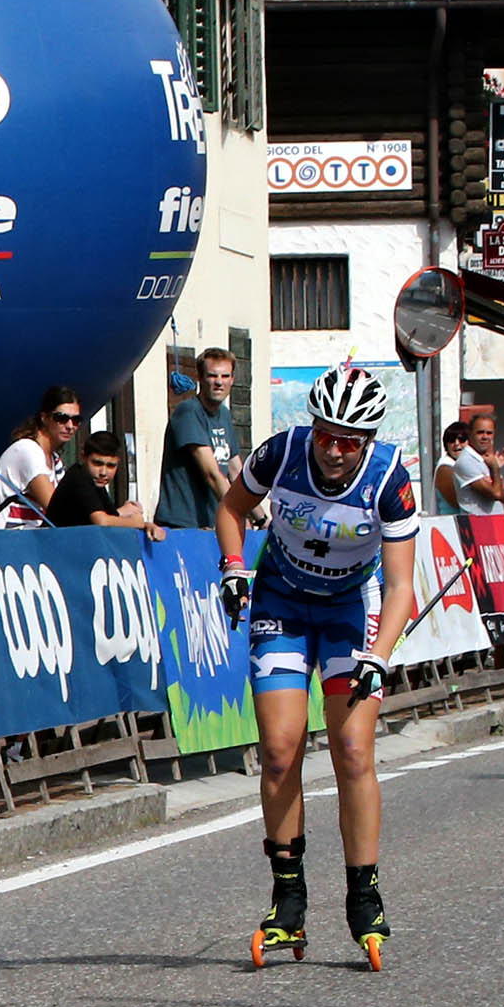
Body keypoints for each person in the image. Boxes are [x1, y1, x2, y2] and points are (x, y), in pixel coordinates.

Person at [213, 364, 421, 971]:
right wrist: (232, 566)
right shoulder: (282, 453)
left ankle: (365, 897)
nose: (333, 450)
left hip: (351, 611)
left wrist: (380, 657)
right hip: (281, 600)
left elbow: (403, 583)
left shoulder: (389, 478)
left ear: (369, 441)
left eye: (349, 440)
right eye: (326, 433)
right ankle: (288, 900)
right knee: (279, 751)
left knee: (353, 750)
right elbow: (231, 509)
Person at [156, 348, 237, 538]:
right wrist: (238, 513)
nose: (219, 382)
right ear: (200, 378)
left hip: (212, 523)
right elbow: (211, 474)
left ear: (232, 379)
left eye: (225, 376)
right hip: (182, 525)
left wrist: (261, 518)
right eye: (212, 376)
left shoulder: (224, 414)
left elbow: (236, 471)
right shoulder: (188, 412)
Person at [0, 387, 80, 527]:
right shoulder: (27, 450)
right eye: (61, 418)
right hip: (9, 538)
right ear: (44, 418)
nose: (70, 426)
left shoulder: (55, 461)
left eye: (76, 420)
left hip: (34, 536)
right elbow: (56, 508)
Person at [45, 427, 154, 535]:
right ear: (83, 457)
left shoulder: (96, 484)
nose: (103, 472)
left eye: (111, 466)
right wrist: (134, 522)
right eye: (97, 463)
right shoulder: (78, 478)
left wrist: (147, 526)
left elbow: (113, 518)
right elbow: (102, 521)